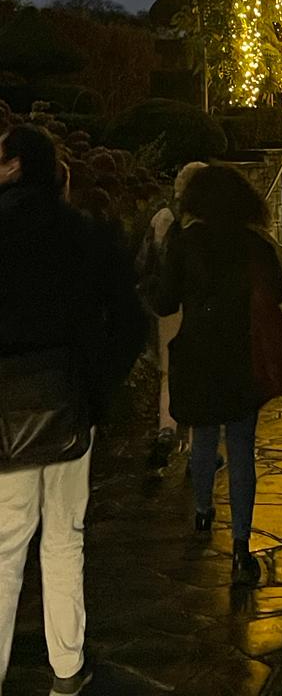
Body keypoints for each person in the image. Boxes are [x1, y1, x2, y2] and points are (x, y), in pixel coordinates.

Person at [0, 124, 147, 696]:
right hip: (68, 403)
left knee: (5, 545)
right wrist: (95, 388)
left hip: (5, 405)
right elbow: (129, 322)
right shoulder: (84, 235)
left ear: (13, 166)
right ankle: (67, 667)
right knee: (64, 536)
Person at [148, 165, 282, 586]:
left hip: (199, 352)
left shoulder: (186, 243)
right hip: (243, 353)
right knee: (242, 445)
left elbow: (165, 301)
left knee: (204, 434)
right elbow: (279, 292)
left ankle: (204, 510)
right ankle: (241, 542)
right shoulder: (254, 245)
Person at [135, 161, 206, 469]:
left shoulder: (163, 217)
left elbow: (144, 262)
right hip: (197, 305)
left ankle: (166, 428)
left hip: (167, 304)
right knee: (198, 373)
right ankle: (194, 444)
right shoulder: (205, 223)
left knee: (169, 371)